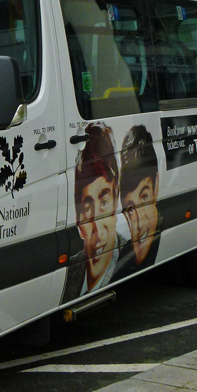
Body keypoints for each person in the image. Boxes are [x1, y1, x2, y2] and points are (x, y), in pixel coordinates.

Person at [72, 123, 122, 295]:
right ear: (78, 222)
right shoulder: (71, 272)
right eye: (87, 209)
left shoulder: (131, 256)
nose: (98, 230)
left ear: (116, 200)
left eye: (104, 203)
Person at [115, 125, 161, 277]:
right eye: (130, 209)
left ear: (156, 188)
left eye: (144, 197)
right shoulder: (121, 259)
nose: (139, 223)